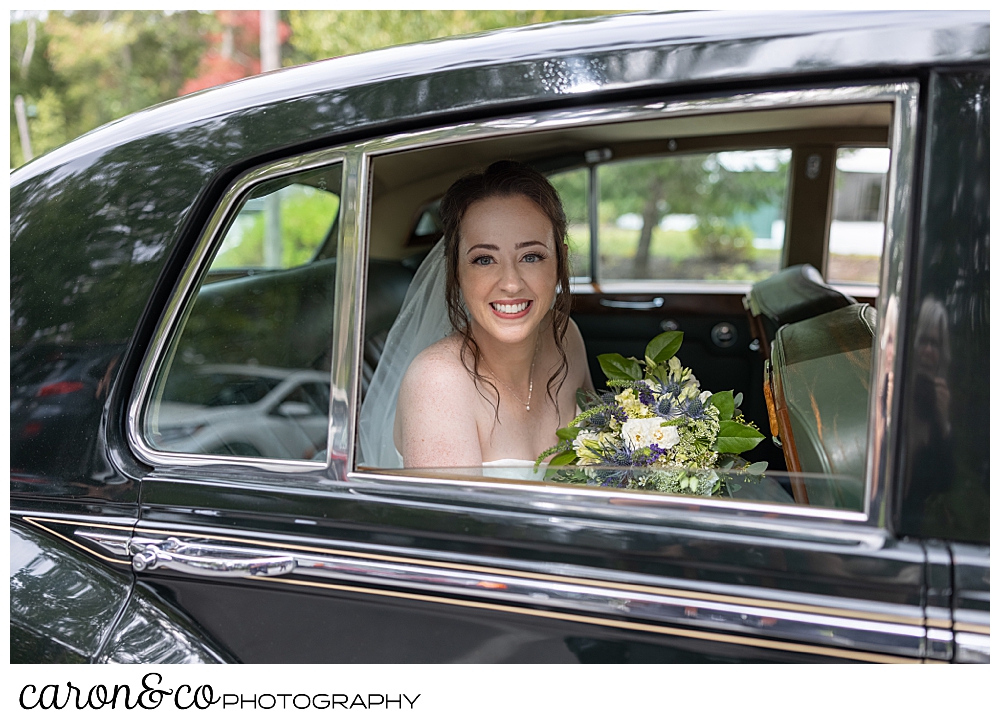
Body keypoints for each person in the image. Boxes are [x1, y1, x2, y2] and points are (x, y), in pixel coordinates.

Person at [357, 160, 593, 470]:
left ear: (560, 260)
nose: (511, 283)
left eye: (531, 256)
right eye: (484, 260)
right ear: (456, 270)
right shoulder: (438, 382)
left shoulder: (565, 335)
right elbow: (459, 520)